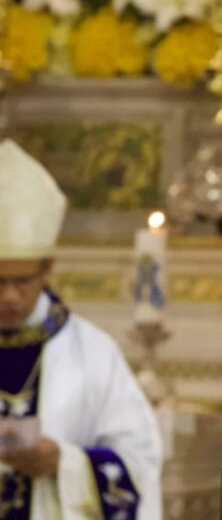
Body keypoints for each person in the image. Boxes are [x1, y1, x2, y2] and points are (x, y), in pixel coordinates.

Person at [0, 140, 162, 518]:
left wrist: (64, 463)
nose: (10, 296)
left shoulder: (93, 353)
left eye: (22, 281)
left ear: (47, 268)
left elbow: (140, 464)